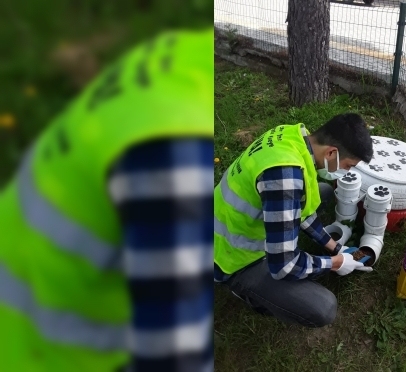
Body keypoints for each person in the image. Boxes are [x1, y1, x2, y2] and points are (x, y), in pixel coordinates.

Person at [0, 30, 213, 371]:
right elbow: (173, 359)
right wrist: (331, 263)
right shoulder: (175, 146)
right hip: (44, 352)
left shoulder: (171, 53)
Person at [214, 113, 374, 327]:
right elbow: (285, 265)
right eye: (348, 165)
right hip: (231, 256)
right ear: (332, 152)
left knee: (322, 190)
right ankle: (243, 289)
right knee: (323, 307)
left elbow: (303, 207)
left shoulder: (293, 136)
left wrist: (336, 248)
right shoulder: (284, 176)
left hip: (228, 221)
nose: (347, 171)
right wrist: (335, 263)